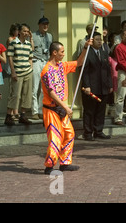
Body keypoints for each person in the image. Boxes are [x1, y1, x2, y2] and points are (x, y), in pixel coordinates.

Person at [41, 38, 92, 174]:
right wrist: (66, 107)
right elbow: (51, 93)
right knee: (55, 138)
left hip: (61, 109)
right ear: (54, 52)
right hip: (51, 110)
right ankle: (49, 166)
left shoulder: (62, 66)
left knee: (69, 134)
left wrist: (86, 47)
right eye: (62, 52)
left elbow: (79, 62)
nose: (63, 54)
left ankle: (64, 163)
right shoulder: (47, 70)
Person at [81, 32, 113, 140]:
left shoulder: (104, 53)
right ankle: (88, 132)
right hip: (91, 87)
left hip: (103, 86)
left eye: (101, 39)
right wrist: (87, 85)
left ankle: (98, 131)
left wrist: (110, 84)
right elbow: (84, 71)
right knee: (90, 110)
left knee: (101, 110)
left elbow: (108, 70)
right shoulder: (86, 53)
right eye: (97, 39)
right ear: (91, 40)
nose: (100, 41)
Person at [6, 23, 33, 126]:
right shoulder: (13, 43)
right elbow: (10, 57)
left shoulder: (28, 44)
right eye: (24, 31)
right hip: (17, 72)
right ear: (20, 32)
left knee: (26, 94)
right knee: (15, 95)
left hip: (27, 72)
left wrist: (31, 69)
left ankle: (23, 115)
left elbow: (30, 57)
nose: (26, 33)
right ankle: (8, 116)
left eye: (27, 31)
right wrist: (13, 71)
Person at [31, 17, 53, 120]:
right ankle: (34, 111)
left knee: (44, 87)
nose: (45, 26)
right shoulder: (33, 36)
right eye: (43, 24)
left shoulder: (49, 36)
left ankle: (40, 110)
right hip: (36, 61)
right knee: (34, 87)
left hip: (46, 61)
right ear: (39, 25)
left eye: (47, 24)